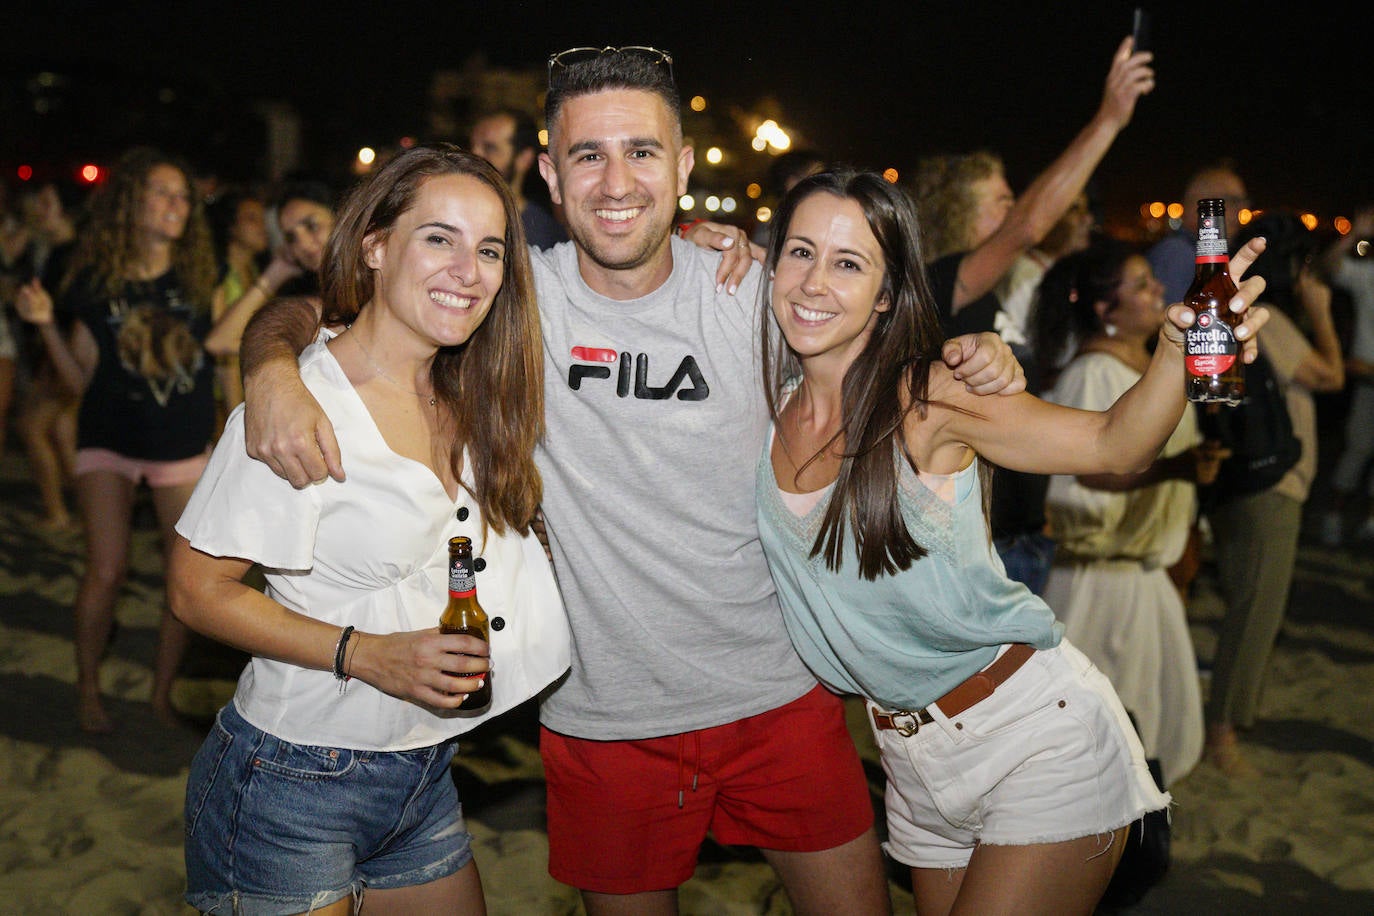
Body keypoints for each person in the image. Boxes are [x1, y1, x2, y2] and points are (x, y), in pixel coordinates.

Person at [235, 46, 1022, 916]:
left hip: (779, 697)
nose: (618, 181)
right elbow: (326, 306)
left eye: (642, 152)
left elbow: (890, 355)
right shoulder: (507, 296)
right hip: (602, 717)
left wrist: (977, 358)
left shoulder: (757, 290)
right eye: (588, 155)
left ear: (682, 166)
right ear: (547, 173)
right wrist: (271, 367)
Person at [753, 169, 1269, 915]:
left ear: (889, 291)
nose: (814, 283)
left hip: (1031, 736)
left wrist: (1172, 352)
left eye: (848, 263)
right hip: (909, 760)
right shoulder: (766, 406)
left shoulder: (927, 402)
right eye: (800, 252)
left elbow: (1114, 446)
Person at [168, 143, 570, 914]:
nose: (468, 268)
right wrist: (365, 654)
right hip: (291, 780)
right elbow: (194, 590)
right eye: (439, 238)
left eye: (488, 249)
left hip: (423, 772)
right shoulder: (300, 410)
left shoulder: (471, 390)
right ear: (376, 245)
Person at [912, 35, 1154, 596]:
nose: (1013, 208)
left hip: (1021, 536)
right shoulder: (941, 286)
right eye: (999, 200)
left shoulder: (994, 295)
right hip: (975, 545)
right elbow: (1028, 225)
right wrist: (1109, 121)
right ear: (960, 214)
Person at [12, 146, 218, 733]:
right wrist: (45, 323)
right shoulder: (93, 282)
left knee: (183, 581)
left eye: (184, 195)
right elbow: (79, 380)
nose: (177, 204)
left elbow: (223, 351)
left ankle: (158, 694)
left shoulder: (201, 279)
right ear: (130, 201)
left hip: (180, 446)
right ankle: (87, 689)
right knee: (106, 571)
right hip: (107, 440)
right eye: (162, 191)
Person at [1032, 238, 1227, 788]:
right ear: (1103, 308)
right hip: (1101, 586)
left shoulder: (1150, 365)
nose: (1158, 290)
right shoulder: (1093, 372)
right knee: (1101, 745)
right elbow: (1085, 474)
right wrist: (1178, 470)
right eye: (1141, 285)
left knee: (1151, 738)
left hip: (1143, 579)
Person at [1203, 211, 1344, 775]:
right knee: (1255, 610)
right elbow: (1330, 375)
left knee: (1249, 602)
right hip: (1270, 487)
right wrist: (1322, 312)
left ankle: (1227, 720)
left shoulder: (1245, 309)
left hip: (1255, 482)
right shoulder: (1275, 319)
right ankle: (1223, 732)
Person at [200, 180, 335, 383]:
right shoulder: (315, 304)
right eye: (291, 237)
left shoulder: (377, 280)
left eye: (311, 225)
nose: (304, 244)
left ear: (342, 214)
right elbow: (219, 342)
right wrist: (277, 272)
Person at [1318, 205, 1374, 545]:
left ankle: (1370, 522)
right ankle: (1333, 516)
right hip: (1367, 383)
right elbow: (1328, 270)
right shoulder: (1369, 275)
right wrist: (1354, 234)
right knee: (1357, 450)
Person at [204, 187, 270, 415]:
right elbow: (224, 357)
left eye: (262, 218)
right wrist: (236, 417)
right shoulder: (218, 277)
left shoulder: (254, 272)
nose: (262, 226)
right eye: (251, 219)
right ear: (231, 226)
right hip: (220, 401)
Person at [1147, 163, 1250, 305]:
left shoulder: (1204, 254)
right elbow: (1178, 319)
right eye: (1232, 201)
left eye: (1243, 202)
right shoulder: (1177, 254)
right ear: (1198, 205)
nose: (1241, 210)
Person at [469, 107, 569, 250]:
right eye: (472, 146)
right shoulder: (453, 215)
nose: (475, 155)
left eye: (490, 148)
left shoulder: (543, 237)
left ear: (524, 158)